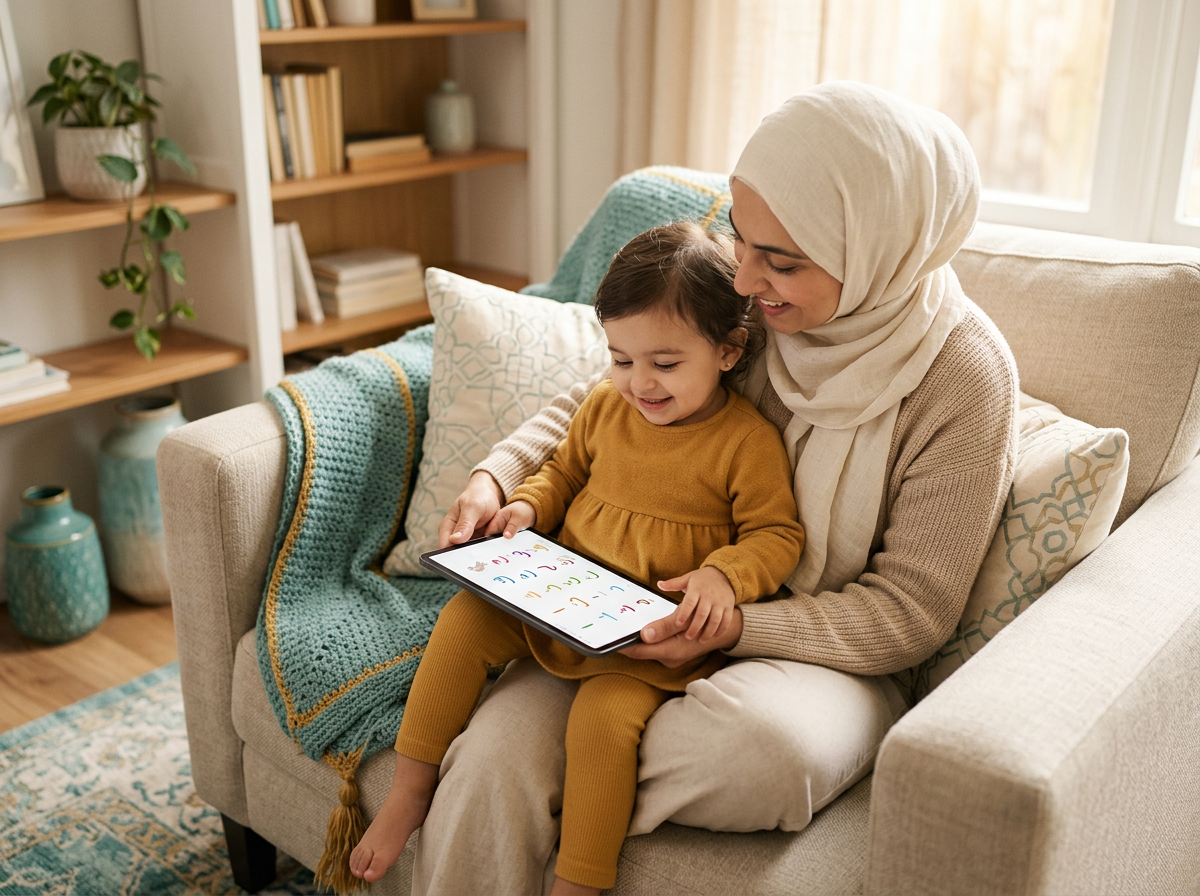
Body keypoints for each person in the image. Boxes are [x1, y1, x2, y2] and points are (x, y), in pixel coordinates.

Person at [409, 81, 1020, 895]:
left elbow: (908, 616)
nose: (745, 275)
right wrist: (500, 474)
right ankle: (584, 743)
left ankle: (593, 759)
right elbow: (603, 401)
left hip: (820, 656)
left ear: (878, 248)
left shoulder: (965, 381)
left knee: (759, 752)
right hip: (638, 606)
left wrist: (729, 625)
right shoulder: (751, 302)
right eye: (740, 234)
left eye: (783, 261)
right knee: (487, 760)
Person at [349, 221, 805, 894]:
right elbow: (562, 471)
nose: (639, 383)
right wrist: (529, 507)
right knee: (463, 622)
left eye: (665, 364)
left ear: (730, 350)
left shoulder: (746, 441)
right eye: (621, 359)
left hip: (650, 637)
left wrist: (723, 576)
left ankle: (580, 881)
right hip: (564, 597)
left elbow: (776, 535)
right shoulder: (602, 408)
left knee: (601, 723)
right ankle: (411, 790)